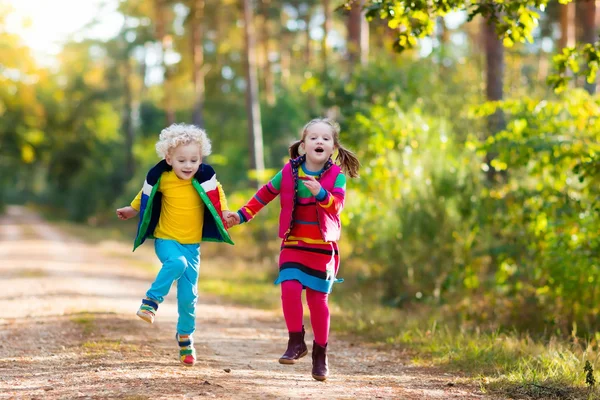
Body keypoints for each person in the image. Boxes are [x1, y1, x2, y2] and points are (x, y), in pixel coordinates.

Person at [226, 118, 360, 381]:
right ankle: (296, 342)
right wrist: (241, 216)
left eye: (325, 138)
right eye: (313, 138)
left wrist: (322, 193)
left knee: (317, 302)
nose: (319, 141)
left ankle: (320, 354)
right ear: (303, 144)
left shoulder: (337, 177)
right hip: (293, 244)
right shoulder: (288, 172)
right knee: (288, 287)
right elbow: (265, 194)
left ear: (333, 147)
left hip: (322, 249)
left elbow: (338, 206)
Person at [116, 123, 235, 367]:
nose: (188, 166)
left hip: (193, 246)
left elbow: (218, 192)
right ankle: (151, 301)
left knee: (188, 297)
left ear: (200, 159)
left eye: (194, 160)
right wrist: (132, 209)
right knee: (176, 264)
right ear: (169, 159)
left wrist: (224, 211)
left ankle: (185, 337)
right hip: (166, 239)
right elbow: (145, 194)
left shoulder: (203, 179)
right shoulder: (164, 178)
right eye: (182, 160)